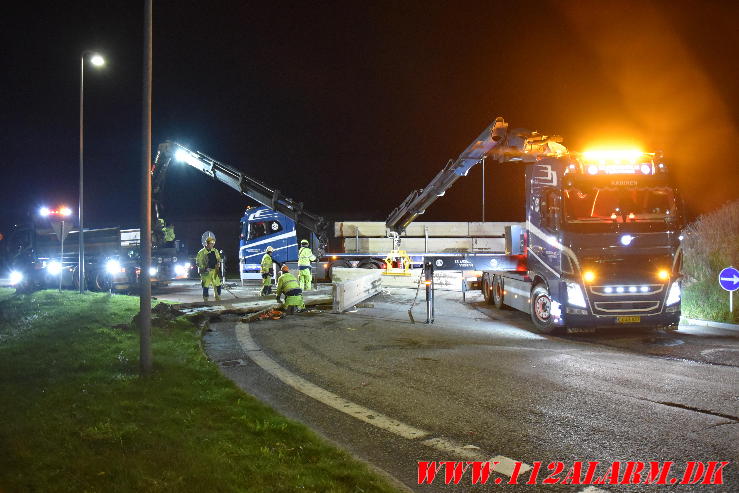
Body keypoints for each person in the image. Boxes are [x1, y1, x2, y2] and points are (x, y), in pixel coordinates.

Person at [196, 237, 222, 302]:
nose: (212, 245)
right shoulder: (201, 252)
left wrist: (218, 263)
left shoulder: (215, 250)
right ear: (207, 244)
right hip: (206, 273)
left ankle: (218, 298)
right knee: (206, 286)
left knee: (218, 285)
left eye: (213, 244)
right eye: (211, 244)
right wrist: (204, 268)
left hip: (214, 271)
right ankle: (206, 300)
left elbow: (218, 258)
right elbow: (198, 262)